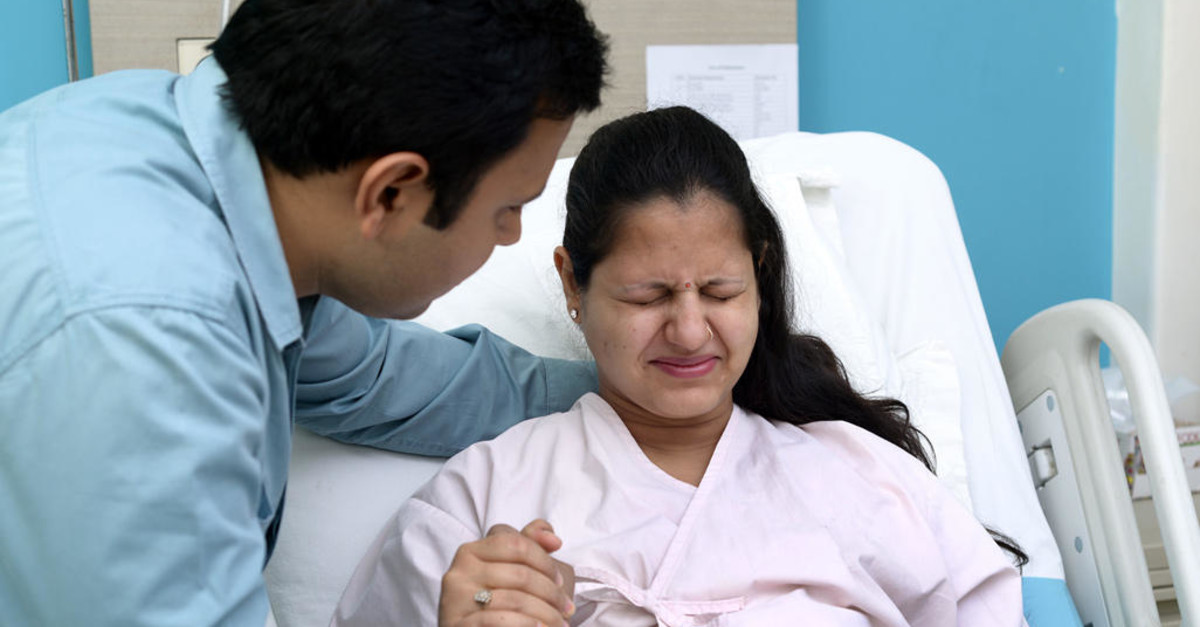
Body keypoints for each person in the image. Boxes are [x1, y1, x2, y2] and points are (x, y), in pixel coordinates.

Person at [0, 1, 607, 625]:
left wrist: (618, 393)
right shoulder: (148, 350)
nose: (512, 236)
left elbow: (373, 371)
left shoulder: (183, 146)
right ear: (389, 193)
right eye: (510, 208)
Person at [332, 106, 1028, 626]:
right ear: (573, 284)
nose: (691, 331)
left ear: (759, 276)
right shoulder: (482, 502)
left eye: (721, 292)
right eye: (648, 296)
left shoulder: (868, 480)